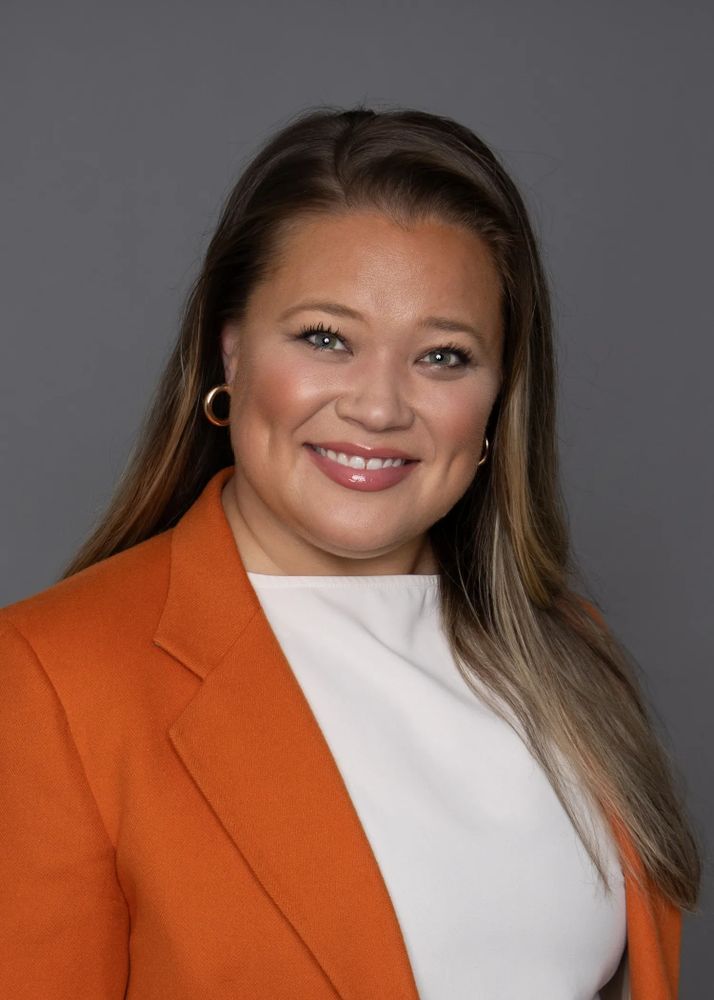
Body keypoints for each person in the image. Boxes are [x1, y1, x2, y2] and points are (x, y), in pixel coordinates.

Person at [0, 105, 700, 1000]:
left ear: (498, 400)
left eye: (444, 356)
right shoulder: (53, 681)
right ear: (230, 350)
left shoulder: (569, 652)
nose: (379, 408)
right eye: (325, 338)